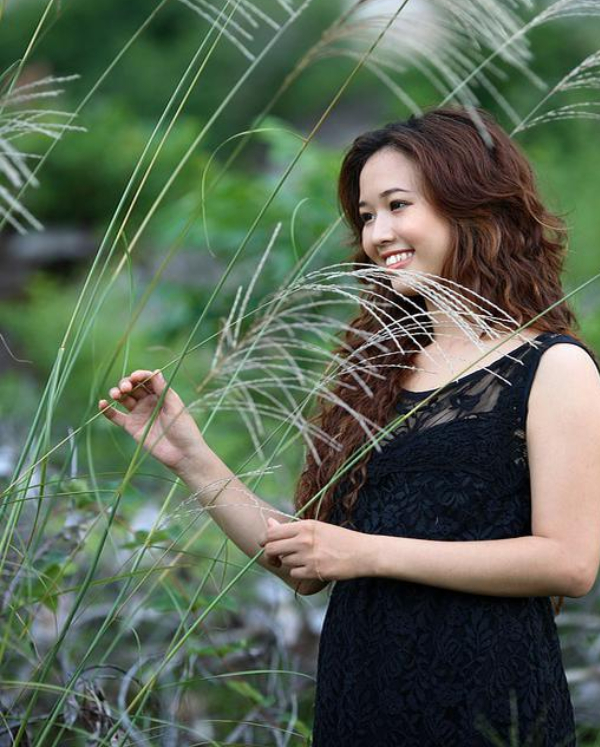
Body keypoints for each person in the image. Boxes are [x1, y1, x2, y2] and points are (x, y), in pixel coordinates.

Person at [99, 106, 600, 746]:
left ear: (472, 205)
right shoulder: (377, 370)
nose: (377, 234)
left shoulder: (551, 366)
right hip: (359, 701)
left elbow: (569, 562)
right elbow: (308, 565)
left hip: (486, 706)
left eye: (397, 206)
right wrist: (189, 455)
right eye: (366, 216)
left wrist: (366, 553)